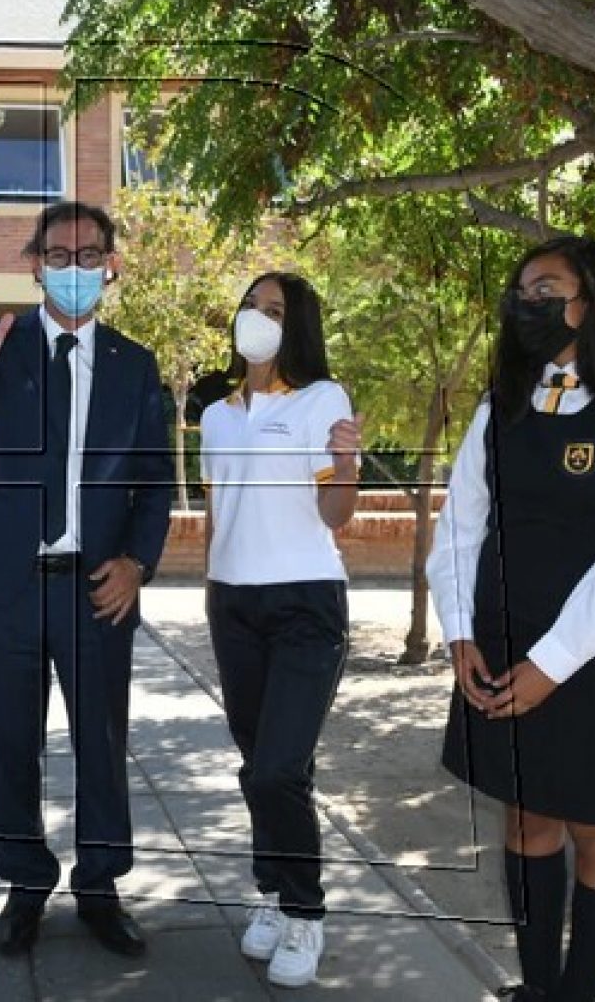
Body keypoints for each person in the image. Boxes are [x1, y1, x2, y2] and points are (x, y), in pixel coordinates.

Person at [0, 201, 173, 958]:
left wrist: (137, 563)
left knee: (102, 744)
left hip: (95, 589)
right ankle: (25, 884)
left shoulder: (135, 365)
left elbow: (155, 482)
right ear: (35, 264)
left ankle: (100, 886)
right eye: (59, 254)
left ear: (112, 265)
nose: (75, 267)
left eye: (90, 253)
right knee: (10, 744)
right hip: (3, 583)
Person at [427, 235, 595, 1002]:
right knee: (527, 822)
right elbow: (461, 525)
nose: (530, 304)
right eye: (522, 293)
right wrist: (460, 630)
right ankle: (540, 989)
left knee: (592, 830)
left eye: (547, 289)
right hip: (501, 645)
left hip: (582, 657)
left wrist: (552, 662)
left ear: (586, 303)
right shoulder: (500, 407)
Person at [200, 272, 363, 989]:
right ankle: (270, 890)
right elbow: (218, 511)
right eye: (252, 305)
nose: (258, 318)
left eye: (275, 310)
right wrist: (212, 589)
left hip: (305, 602)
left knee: (278, 769)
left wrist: (348, 464)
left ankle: (304, 911)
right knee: (258, 765)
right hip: (233, 603)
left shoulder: (322, 399)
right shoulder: (215, 413)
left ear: (297, 327)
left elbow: (336, 515)